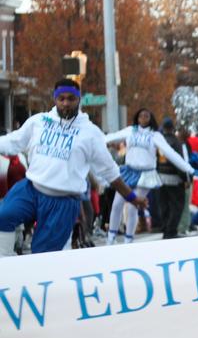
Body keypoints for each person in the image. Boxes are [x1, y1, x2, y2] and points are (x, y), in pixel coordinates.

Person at [0, 79, 148, 255]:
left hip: (62, 201)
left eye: (71, 98)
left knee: (42, 254)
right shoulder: (38, 122)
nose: (66, 103)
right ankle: (6, 267)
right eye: (61, 98)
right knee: (4, 217)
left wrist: (131, 197)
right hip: (31, 189)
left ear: (79, 100)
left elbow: (110, 171)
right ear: (54, 100)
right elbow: (13, 142)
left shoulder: (90, 133)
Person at [103, 108, 195, 244]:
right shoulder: (130, 130)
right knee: (117, 204)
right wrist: (92, 141)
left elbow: (170, 153)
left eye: (146, 116)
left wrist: (188, 169)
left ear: (150, 118)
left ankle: (128, 239)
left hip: (146, 174)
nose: (143, 118)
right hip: (129, 171)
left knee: (133, 205)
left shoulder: (155, 135)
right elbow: (111, 137)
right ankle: (111, 238)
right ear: (137, 118)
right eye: (141, 116)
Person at [156, 118, 192, 240]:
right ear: (172, 128)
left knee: (164, 205)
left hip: (160, 178)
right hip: (174, 179)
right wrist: (186, 178)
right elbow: (178, 162)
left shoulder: (159, 141)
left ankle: (165, 228)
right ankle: (171, 230)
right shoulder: (175, 142)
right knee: (177, 205)